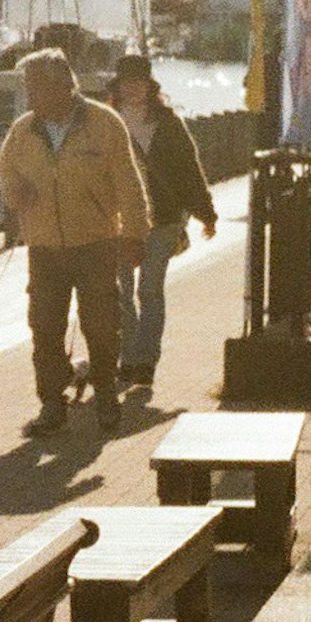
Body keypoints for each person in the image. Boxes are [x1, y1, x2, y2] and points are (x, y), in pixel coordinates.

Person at [0, 47, 147, 432]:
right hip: (44, 247)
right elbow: (5, 168)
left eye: (35, 88)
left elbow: (129, 181)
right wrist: (17, 195)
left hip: (95, 242)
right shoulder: (23, 130)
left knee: (101, 324)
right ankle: (51, 404)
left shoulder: (103, 122)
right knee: (44, 326)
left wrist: (134, 234)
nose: (29, 96)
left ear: (62, 87)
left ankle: (107, 396)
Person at [104, 55, 217, 393]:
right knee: (120, 292)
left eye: (140, 82)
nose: (134, 88)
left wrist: (206, 213)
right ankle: (128, 359)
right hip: (118, 219)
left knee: (149, 290)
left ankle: (145, 361)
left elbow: (189, 170)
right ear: (118, 86)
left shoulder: (168, 123)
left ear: (150, 86)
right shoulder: (106, 122)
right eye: (127, 82)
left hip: (163, 217)